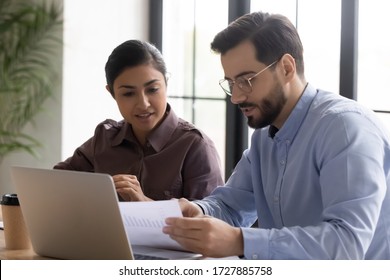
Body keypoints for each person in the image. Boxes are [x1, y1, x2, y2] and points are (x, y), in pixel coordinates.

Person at [162, 11, 390, 259]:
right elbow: (231, 205)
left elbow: (346, 243)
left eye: (247, 80)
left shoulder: (344, 129)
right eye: (231, 83)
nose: (236, 97)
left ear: (286, 68)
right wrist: (197, 211)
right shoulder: (264, 137)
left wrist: (241, 242)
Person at [54, 40, 223, 201]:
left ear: (166, 84)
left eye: (152, 89)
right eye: (128, 93)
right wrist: (97, 192)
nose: (143, 104)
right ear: (112, 93)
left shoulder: (195, 146)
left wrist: (145, 204)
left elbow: (207, 224)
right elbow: (54, 183)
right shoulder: (104, 139)